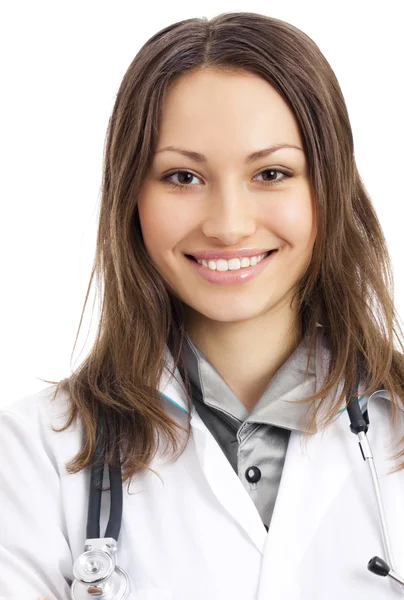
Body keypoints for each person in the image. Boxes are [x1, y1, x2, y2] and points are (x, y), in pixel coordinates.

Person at [1, 11, 404, 600]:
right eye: (183, 176)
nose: (228, 225)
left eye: (271, 172)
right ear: (130, 197)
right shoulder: (33, 453)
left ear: (330, 188)